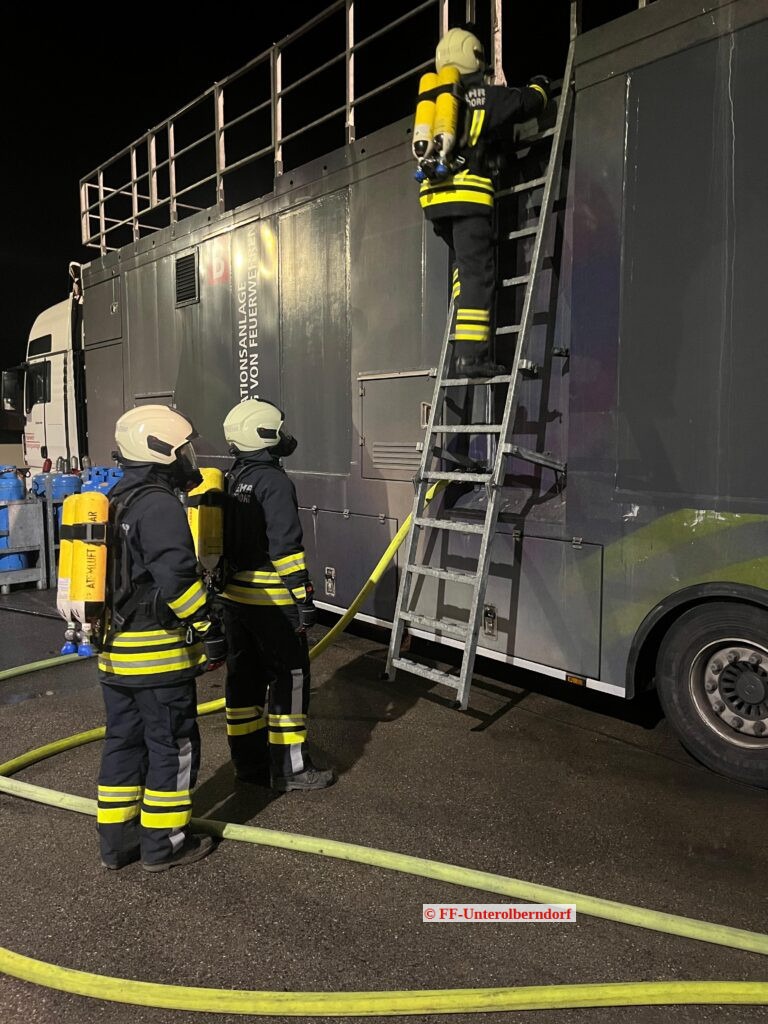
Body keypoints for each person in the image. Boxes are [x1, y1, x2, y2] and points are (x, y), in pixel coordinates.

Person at [96, 405, 224, 871]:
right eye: (183, 449)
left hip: (115, 655)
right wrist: (209, 628)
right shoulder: (159, 505)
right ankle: (165, 844)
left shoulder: (115, 498)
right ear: (160, 450)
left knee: (123, 745)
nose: (189, 458)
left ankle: (117, 844)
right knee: (172, 745)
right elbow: (179, 581)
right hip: (157, 657)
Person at [418, 27, 551, 378]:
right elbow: (525, 103)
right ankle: (471, 357)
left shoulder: (436, 102)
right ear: (475, 59)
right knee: (478, 274)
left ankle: (461, 324)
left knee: (463, 267)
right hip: (468, 200)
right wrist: (540, 86)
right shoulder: (484, 97)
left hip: (435, 203)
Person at [219, 398, 334, 791]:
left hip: (234, 601)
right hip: (272, 604)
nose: (284, 437)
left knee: (244, 683)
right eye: (278, 430)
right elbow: (285, 549)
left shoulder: (232, 478)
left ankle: (248, 765)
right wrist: (303, 598)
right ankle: (291, 769)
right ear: (264, 433)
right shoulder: (274, 482)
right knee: (290, 679)